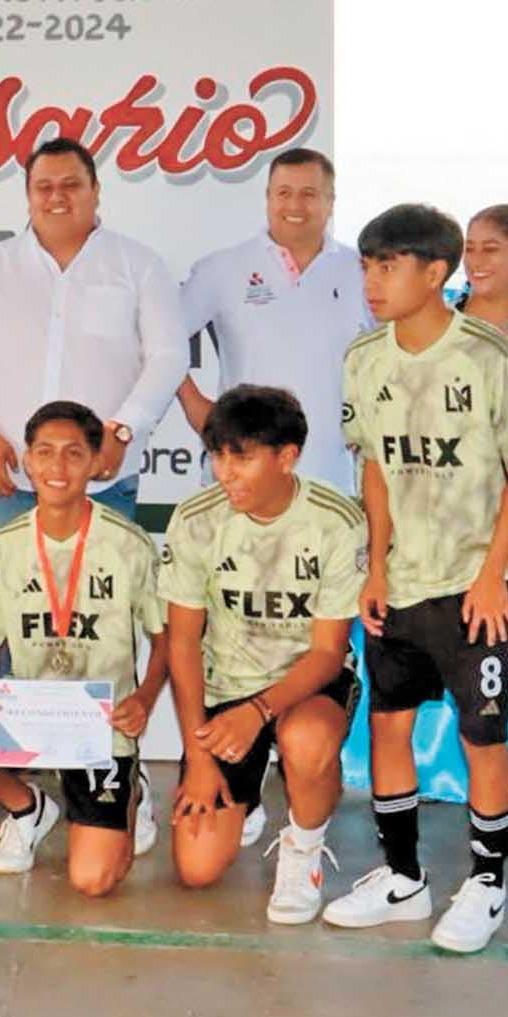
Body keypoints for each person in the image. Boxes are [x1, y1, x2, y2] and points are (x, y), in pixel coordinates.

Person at [329, 204, 508, 955]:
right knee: (387, 723)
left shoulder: (487, 355)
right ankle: (403, 879)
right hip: (402, 580)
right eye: (367, 265)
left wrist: (492, 576)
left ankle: (487, 884)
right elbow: (375, 466)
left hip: (480, 581)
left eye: (387, 266)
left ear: (434, 273)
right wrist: (376, 566)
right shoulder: (365, 358)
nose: (372, 281)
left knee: (481, 733)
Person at [353, 205, 508, 814]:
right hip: (430, 516)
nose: (478, 261)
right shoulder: (435, 319)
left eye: (493, 249)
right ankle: (433, 776)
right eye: (472, 248)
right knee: (419, 649)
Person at [0, 402, 166, 890]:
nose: (57, 467)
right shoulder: (1, 549)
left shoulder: (129, 545)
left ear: (95, 461)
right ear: (27, 459)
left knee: (93, 881)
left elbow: (165, 639)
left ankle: (131, 785)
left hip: (101, 723)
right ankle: (27, 808)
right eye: (44, 452)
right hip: (30, 712)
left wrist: (144, 700)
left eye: (73, 454)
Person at [159, 387, 365, 921]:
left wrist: (258, 712)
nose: (224, 472)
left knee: (307, 739)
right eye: (217, 455)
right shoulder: (196, 519)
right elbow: (182, 642)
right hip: (226, 689)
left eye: (241, 457)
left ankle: (303, 847)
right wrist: (199, 756)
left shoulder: (336, 521)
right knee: (197, 869)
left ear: (286, 457)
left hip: (308, 683)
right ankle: (244, 798)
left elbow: (328, 651)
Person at [0, 137, 180, 566]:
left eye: (71, 185)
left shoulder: (140, 265)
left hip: (102, 478)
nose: (57, 197)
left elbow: (169, 357)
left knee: (105, 601)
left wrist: (124, 429)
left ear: (95, 190)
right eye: (44, 187)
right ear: (29, 195)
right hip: (5, 479)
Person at [174, 147, 373, 492]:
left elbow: (392, 353)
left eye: (308, 194)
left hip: (331, 480)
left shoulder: (361, 271)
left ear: (330, 202)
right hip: (239, 478)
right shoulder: (221, 268)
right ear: (268, 198)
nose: (295, 205)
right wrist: (197, 408)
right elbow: (161, 340)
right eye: (284, 193)